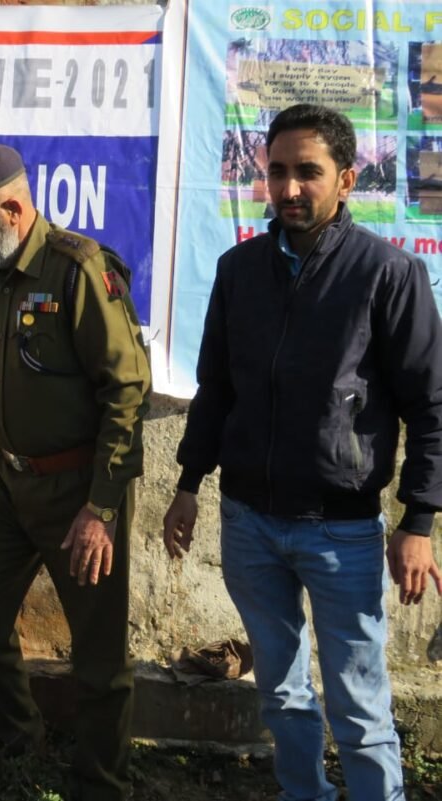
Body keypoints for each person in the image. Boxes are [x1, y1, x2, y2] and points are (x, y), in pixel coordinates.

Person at [162, 103, 442, 801]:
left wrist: (419, 522)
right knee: (282, 693)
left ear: (346, 179)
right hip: (249, 523)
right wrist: (189, 483)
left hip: (341, 530)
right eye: (278, 171)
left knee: (359, 706)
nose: (290, 188)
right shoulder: (238, 270)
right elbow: (216, 388)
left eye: (308, 173)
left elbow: (430, 405)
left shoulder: (387, 275)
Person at [0, 144, 151, 801]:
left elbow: (127, 392)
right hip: (7, 481)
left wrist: (102, 507)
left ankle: (101, 780)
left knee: (99, 655)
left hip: (79, 488)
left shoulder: (78, 270)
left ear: (14, 207)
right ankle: (13, 730)